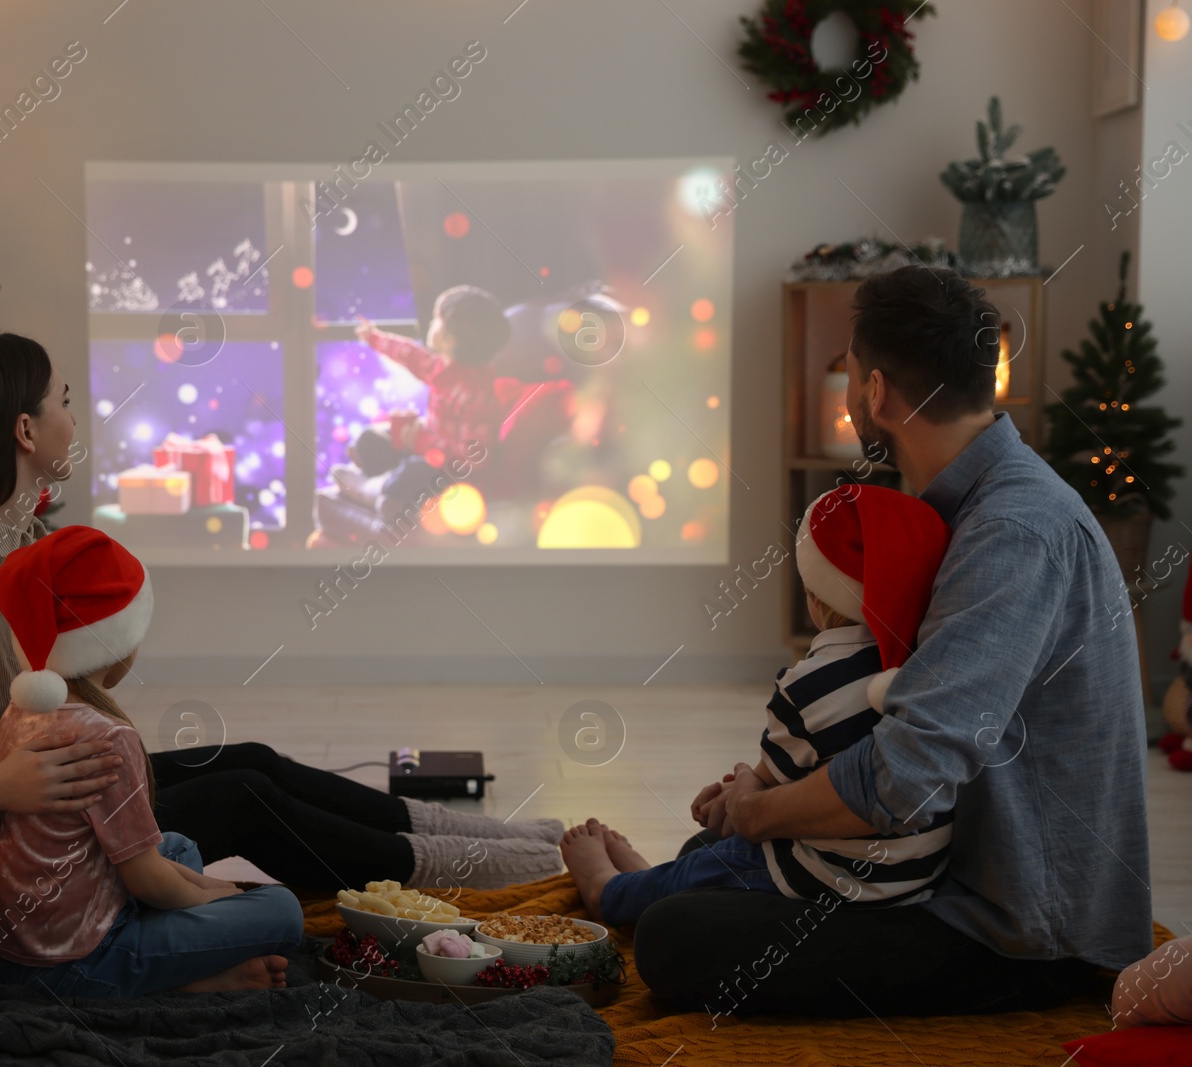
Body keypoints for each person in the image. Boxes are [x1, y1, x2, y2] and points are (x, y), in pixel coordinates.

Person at [0, 333, 561, 948]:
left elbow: (55, 690)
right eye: (64, 403)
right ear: (24, 431)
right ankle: (473, 868)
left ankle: (488, 839)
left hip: (43, 804)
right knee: (240, 797)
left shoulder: (28, 546)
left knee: (248, 759)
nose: (74, 421)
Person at [633, 265, 1151, 1019]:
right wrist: (770, 790)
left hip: (1017, 928)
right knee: (703, 862)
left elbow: (908, 776)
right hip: (949, 870)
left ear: (875, 392)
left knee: (673, 936)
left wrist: (756, 812)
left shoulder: (1011, 531)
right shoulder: (980, 503)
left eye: (847, 372)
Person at [563, 485, 953, 926]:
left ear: (815, 598)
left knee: (716, 861)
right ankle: (647, 879)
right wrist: (743, 794)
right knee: (707, 854)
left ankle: (606, 889)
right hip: (914, 879)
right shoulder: (930, 667)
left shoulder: (808, 685)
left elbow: (770, 799)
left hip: (825, 875)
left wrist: (740, 788)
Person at [0, 524, 302, 996]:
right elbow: (146, 879)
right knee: (282, 909)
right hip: (72, 963)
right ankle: (175, 979)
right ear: (118, 640)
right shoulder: (107, 736)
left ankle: (177, 956)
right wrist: (220, 895)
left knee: (179, 847)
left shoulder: (22, 709)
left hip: (8, 949)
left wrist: (205, 895)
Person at [351, 285, 512, 514]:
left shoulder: (475, 395)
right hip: (427, 450)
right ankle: (388, 483)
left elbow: (472, 461)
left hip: (452, 478)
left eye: (437, 319)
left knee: (416, 472)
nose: (430, 323)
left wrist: (422, 442)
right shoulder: (441, 367)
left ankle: (383, 490)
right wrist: (374, 338)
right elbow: (409, 354)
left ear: (449, 340)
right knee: (370, 439)